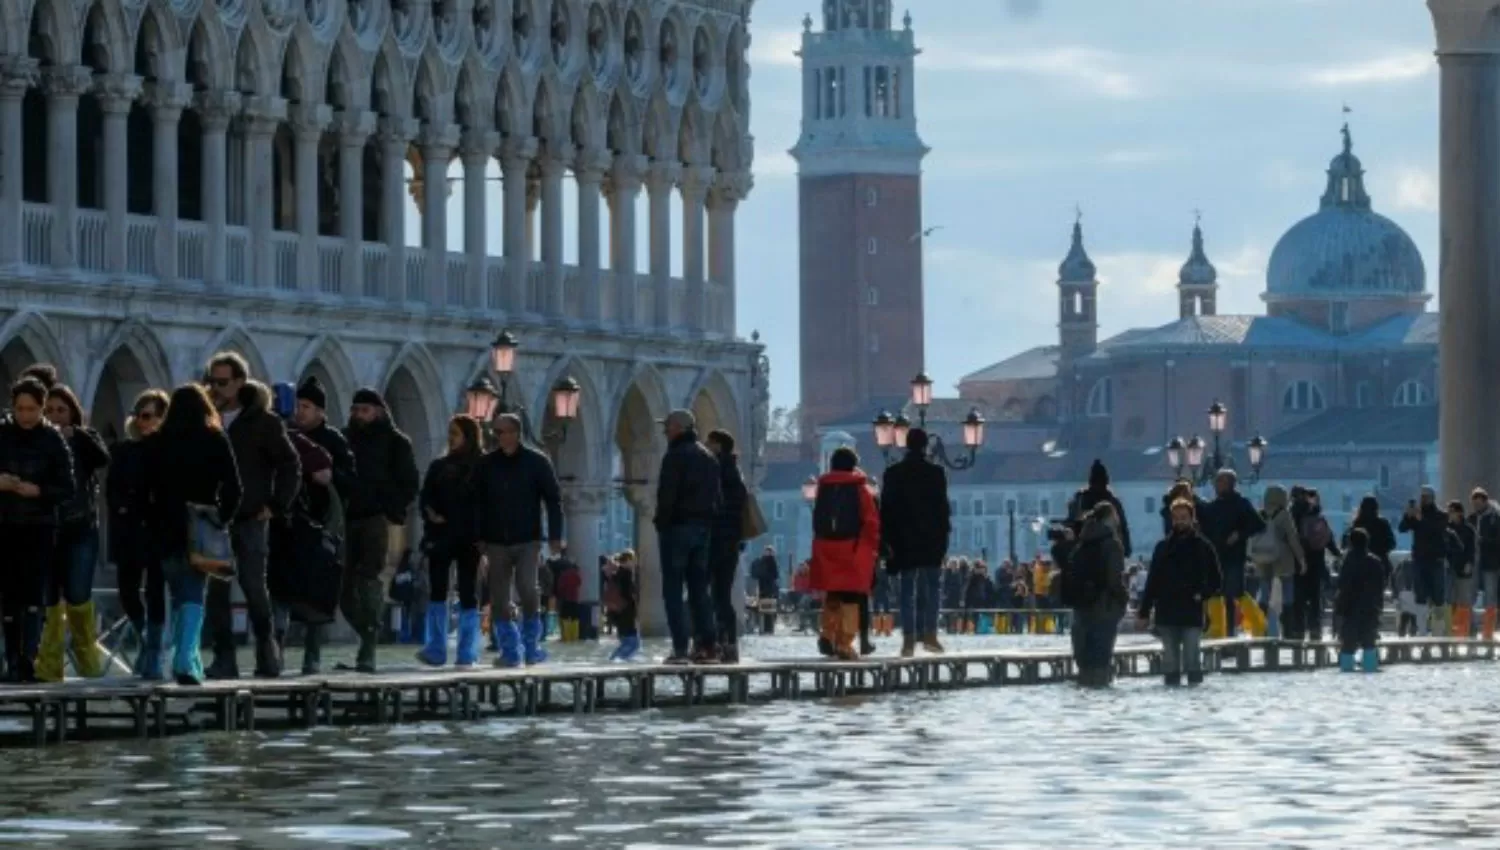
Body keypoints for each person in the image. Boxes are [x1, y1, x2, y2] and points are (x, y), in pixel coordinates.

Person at [203, 355, 302, 680]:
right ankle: (224, 658)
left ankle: (267, 652)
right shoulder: (207, 418)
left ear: (239, 382)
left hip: (250, 515)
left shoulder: (263, 421)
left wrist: (275, 504)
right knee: (217, 590)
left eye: (223, 382)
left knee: (252, 585)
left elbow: (290, 465)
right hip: (216, 518)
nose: (216, 387)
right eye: (212, 381)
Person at [142, 384, 242, 686]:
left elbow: (146, 488)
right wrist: (220, 518)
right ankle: (186, 658)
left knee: (175, 590)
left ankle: (176, 656)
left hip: (165, 525)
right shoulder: (215, 439)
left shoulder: (157, 442)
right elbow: (235, 488)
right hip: (200, 524)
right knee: (194, 592)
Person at [472, 412, 564, 668]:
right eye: (495, 432)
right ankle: (510, 649)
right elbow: (477, 502)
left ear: (516, 433)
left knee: (527, 586)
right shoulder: (486, 464)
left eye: (502, 432)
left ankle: (532, 645)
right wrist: (478, 535)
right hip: (495, 540)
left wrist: (555, 536)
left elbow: (553, 500)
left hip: (528, 539)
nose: (498, 437)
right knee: (499, 596)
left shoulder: (537, 462)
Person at [0, 378, 75, 683]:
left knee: (33, 594)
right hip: (4, 523)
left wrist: (39, 491)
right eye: (20, 409)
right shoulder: (2, 435)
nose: (25, 415)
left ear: (41, 408)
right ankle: (12, 659)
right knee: (8, 595)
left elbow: (67, 487)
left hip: (39, 525)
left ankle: (27, 660)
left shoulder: (53, 440)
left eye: (31, 409)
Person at [341, 387, 420, 673]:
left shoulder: (396, 442)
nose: (359, 415)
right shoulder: (344, 438)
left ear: (378, 412)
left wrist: (390, 508)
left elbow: (410, 483)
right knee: (343, 588)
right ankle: (370, 633)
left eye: (364, 410)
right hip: (347, 518)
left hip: (378, 519)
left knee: (370, 578)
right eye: (356, 410)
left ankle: (368, 649)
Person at [35, 384, 110, 681]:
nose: (55, 416)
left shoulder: (84, 437)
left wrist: (76, 436)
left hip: (80, 528)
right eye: (50, 411)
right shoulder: (37, 441)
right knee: (49, 598)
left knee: (78, 594)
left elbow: (103, 459)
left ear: (73, 413)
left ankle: (86, 655)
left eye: (61, 410)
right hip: (46, 528)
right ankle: (49, 663)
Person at [266, 382, 342, 676]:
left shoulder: (298, 442)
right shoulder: (298, 441)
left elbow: (328, 474)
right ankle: (277, 651)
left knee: (285, 589)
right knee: (280, 589)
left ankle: (285, 652)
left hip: (291, 528)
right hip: (285, 527)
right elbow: (323, 471)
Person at [107, 389, 169, 680]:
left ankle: (153, 651)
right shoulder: (123, 451)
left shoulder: (168, 451)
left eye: (149, 416)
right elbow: (112, 490)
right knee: (128, 590)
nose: (142, 422)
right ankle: (146, 636)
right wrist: (122, 509)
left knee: (156, 590)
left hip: (157, 529)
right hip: (129, 529)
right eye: (139, 415)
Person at [652, 409, 722, 664]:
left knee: (672, 589)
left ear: (680, 427)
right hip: (703, 530)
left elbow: (667, 495)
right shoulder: (709, 458)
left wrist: (661, 523)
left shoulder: (675, 455)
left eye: (668, 425)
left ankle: (680, 648)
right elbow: (718, 499)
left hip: (676, 529)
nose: (665, 430)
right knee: (699, 591)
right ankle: (708, 646)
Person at [415, 415, 484, 668]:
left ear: (468, 435)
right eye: (450, 433)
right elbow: (425, 498)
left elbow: (487, 503)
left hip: (470, 538)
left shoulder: (481, 467)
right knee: (437, 590)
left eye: (455, 433)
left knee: (468, 592)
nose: (451, 438)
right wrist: (431, 513)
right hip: (441, 536)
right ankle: (436, 648)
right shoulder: (438, 466)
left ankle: (467, 652)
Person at [879, 428, 951, 657]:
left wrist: (887, 540)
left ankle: (908, 640)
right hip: (930, 539)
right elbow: (942, 510)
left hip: (903, 539)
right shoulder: (936, 473)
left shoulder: (892, 473)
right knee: (933, 587)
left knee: (906, 590)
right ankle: (930, 635)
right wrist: (944, 537)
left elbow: (886, 510)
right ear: (925, 446)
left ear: (906, 444)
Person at [1140, 499, 1222, 686]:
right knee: (1170, 661)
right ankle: (1172, 695)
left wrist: (1203, 594)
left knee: (1192, 657)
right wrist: (1144, 612)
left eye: (1183, 518)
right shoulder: (1163, 547)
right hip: (1166, 610)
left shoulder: (1203, 546)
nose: (1179, 522)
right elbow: (1152, 581)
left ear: (1192, 518)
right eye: (1176, 518)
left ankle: (1193, 696)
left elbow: (1217, 579)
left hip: (1192, 609)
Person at [808, 447, 880, 661]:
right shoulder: (861, 489)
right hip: (852, 548)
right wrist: (871, 548)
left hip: (825, 547)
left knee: (833, 594)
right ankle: (845, 644)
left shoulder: (823, 488)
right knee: (850, 597)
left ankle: (827, 634)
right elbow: (871, 523)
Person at [1064, 502, 1129, 686]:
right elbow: (1114, 579)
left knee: (1085, 661)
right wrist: (1123, 601)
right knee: (1101, 659)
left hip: (1081, 608)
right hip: (1105, 607)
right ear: (1110, 518)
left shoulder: (1081, 544)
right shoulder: (1112, 544)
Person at [1198, 470, 1264, 637]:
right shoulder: (1212, 507)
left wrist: (1240, 534)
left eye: (1221, 482)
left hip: (1234, 557)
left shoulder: (1242, 504)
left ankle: (1244, 630)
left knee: (1234, 593)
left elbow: (1258, 524)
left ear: (1231, 484)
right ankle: (1217, 631)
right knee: (1215, 594)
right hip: (1215, 557)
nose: (1217, 485)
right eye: (1216, 482)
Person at [706, 429, 749, 663]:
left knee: (709, 593)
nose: (706, 445)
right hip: (731, 541)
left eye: (709, 442)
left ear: (719, 446)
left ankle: (710, 643)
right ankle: (729, 643)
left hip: (715, 539)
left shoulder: (716, 470)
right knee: (722, 594)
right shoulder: (736, 472)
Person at [1249, 485, 1305, 639]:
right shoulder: (1284, 515)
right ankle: (1288, 629)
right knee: (1288, 593)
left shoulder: (1259, 513)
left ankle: (1260, 628)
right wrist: (1301, 559)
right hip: (1283, 558)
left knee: (1264, 594)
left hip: (1262, 557)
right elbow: (1293, 538)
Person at [294, 376, 357, 503]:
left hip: (322, 511)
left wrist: (329, 475)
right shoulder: (290, 435)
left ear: (320, 412)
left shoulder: (333, 439)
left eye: (306, 407)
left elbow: (349, 479)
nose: (299, 411)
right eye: (298, 406)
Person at [1399, 487, 1451, 637]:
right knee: (1420, 595)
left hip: (1436, 561)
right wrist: (1408, 516)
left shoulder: (1441, 515)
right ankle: (1422, 629)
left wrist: (1421, 519)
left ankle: (1439, 629)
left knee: (1438, 597)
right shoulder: (1416, 515)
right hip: (1419, 560)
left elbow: (1435, 529)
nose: (1423, 500)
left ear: (1433, 498)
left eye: (1426, 497)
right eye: (1422, 497)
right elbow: (1402, 528)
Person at [1290, 487, 1339, 641]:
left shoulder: (1292, 514)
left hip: (1297, 561)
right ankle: (1315, 628)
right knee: (1315, 598)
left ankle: (1298, 629)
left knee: (1298, 598)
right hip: (1317, 561)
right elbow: (1328, 538)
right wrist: (1337, 553)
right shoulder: (1317, 514)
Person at [1335, 528, 1385, 672]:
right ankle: (1370, 667)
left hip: (1349, 609)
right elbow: (1380, 587)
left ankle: (1346, 668)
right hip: (1370, 608)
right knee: (1369, 643)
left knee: (1348, 645)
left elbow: (1342, 585)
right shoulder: (1375, 562)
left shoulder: (1348, 561)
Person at [1074, 460, 1132, 558]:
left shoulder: (1082, 499)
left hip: (1085, 550)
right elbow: (1123, 527)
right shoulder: (1113, 501)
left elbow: (1074, 524)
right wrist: (1126, 550)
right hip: (1110, 551)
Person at [1471, 488, 1500, 640]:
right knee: (1470, 596)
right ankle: (1470, 629)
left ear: (1485, 501)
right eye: (1473, 503)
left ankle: (1488, 633)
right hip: (1474, 562)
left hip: (1490, 563)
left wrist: (1484, 541)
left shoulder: (1494, 518)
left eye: (1478, 503)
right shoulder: (1472, 518)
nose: (1475, 506)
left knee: (1490, 598)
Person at [1447, 500, 1477, 639]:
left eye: (1452, 511)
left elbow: (1472, 549)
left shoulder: (1468, 529)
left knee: (1464, 600)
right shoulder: (1447, 528)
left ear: (1459, 513)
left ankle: (1468, 629)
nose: (1450, 514)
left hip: (1464, 568)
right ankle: (1453, 629)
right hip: (1450, 568)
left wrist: (1469, 563)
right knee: (1451, 599)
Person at [605, 550, 640, 661]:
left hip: (618, 613)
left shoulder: (616, 575)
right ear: (628, 560)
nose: (634, 563)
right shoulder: (626, 574)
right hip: (626, 612)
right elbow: (627, 594)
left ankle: (616, 659)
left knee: (627, 641)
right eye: (633, 560)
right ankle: (615, 659)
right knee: (633, 643)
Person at [750, 545, 781, 635]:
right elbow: (757, 574)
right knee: (763, 609)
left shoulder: (773, 562)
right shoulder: (761, 561)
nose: (768, 553)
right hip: (763, 588)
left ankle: (769, 628)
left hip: (770, 589)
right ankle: (763, 627)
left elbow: (775, 575)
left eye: (770, 551)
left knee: (770, 610)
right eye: (767, 551)